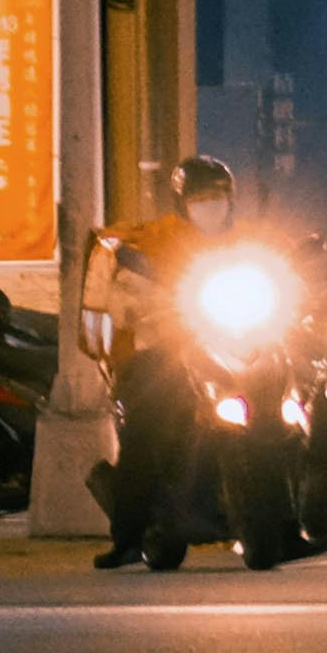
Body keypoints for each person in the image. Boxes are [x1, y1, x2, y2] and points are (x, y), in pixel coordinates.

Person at [92, 154, 247, 569]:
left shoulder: (245, 240)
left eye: (218, 196)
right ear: (182, 201)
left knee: (284, 412)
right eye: (200, 197)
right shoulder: (155, 239)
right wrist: (148, 299)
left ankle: (283, 523)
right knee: (145, 435)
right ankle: (127, 537)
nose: (211, 205)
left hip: (236, 347)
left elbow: (281, 272)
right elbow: (125, 276)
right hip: (166, 352)